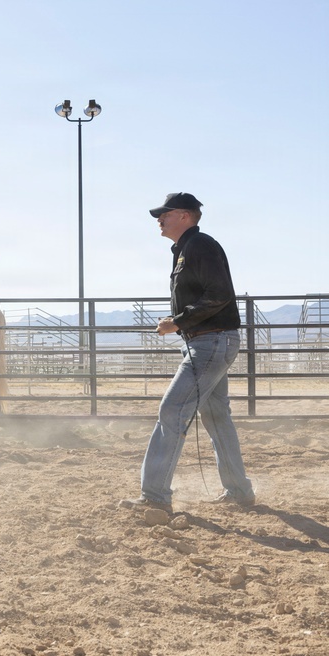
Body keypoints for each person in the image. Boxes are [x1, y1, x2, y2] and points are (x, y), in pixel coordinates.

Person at [122, 192, 255, 514]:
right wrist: (181, 325)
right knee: (216, 417)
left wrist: (177, 322)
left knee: (172, 411)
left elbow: (219, 294)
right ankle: (239, 491)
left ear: (184, 215)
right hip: (210, 341)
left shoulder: (199, 246)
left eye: (164, 214)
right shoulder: (188, 248)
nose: (159, 219)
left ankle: (154, 497)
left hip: (210, 342)